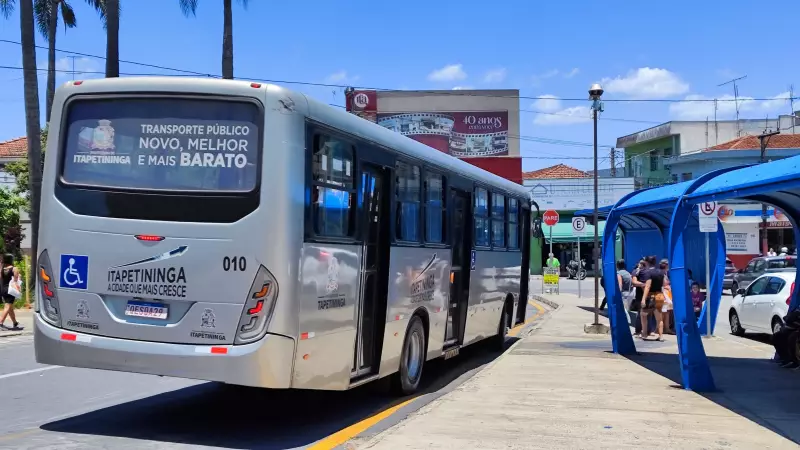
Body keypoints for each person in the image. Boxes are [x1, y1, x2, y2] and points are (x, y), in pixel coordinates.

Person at [640, 255, 666, 341]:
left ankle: (644, 333)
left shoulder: (648, 273)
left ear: (647, 263)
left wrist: (643, 299)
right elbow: (664, 284)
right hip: (659, 295)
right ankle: (661, 336)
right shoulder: (661, 272)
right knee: (659, 317)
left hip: (650, 296)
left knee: (643, 314)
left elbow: (648, 286)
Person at [0, 254, 22, 331]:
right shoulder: (14, 268)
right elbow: (16, 280)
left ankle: (15, 322)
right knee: (7, 307)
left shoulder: (2, 268)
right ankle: (1, 322)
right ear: (11, 260)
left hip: (3, 289)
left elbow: (1, 278)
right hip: (10, 290)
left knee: (10, 307)